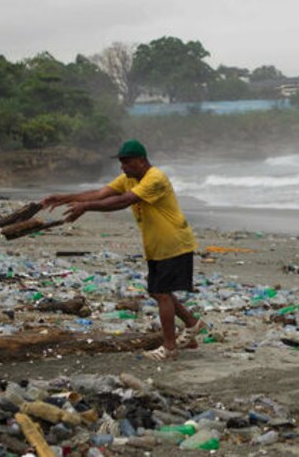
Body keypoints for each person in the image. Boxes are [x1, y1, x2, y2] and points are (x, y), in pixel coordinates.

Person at [40, 139, 205, 361]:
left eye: (127, 162)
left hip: (173, 242)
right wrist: (64, 198)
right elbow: (101, 193)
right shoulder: (129, 178)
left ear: (141, 161)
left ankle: (169, 348)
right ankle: (192, 324)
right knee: (157, 291)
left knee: (162, 293)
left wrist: (86, 207)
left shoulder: (155, 178)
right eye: (121, 162)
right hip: (157, 244)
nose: (123, 167)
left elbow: (124, 201)